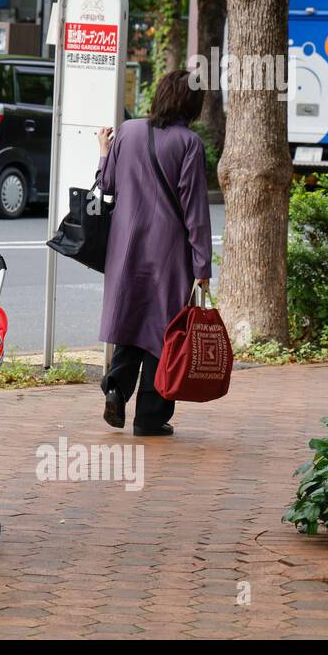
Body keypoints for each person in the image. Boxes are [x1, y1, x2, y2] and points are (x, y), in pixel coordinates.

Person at [95, 68, 213, 437]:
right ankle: (149, 417)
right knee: (164, 329)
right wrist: (202, 264)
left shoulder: (127, 131)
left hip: (125, 245)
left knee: (131, 320)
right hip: (168, 250)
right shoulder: (188, 143)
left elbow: (107, 185)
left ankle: (116, 388)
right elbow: (195, 210)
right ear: (191, 105)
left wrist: (103, 152)